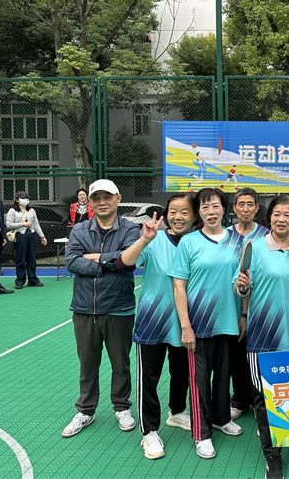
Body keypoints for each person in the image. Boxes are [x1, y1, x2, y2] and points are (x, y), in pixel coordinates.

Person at [62, 179, 158, 438]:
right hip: (84, 309)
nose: (102, 202)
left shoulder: (130, 229)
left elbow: (128, 262)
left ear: (118, 199)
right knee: (87, 363)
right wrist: (109, 263)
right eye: (96, 198)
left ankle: (122, 407)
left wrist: (98, 258)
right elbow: (71, 262)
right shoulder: (80, 229)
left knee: (120, 363)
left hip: (119, 308)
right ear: (91, 203)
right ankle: (86, 410)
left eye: (107, 197)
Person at [233, 194, 289, 479]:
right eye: (277, 213)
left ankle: (285, 434)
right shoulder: (253, 247)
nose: (281, 219)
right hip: (261, 338)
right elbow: (240, 288)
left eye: (288, 214)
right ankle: (272, 457)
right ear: (270, 217)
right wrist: (242, 287)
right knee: (263, 399)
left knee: (286, 393)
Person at [116, 193, 196, 459]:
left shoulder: (197, 242)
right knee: (149, 378)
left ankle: (177, 412)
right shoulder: (154, 239)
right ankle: (149, 431)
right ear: (166, 215)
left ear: (194, 215)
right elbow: (126, 262)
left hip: (186, 324)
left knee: (182, 372)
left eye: (185, 212)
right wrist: (144, 239)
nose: (178, 217)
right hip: (153, 321)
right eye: (173, 211)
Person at [170, 187, 244, 460]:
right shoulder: (189, 242)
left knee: (224, 376)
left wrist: (243, 314)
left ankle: (221, 418)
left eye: (215, 206)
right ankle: (201, 434)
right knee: (199, 381)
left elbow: (243, 282)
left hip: (228, 322)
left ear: (224, 209)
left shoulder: (238, 241)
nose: (211, 212)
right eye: (204, 207)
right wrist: (186, 326)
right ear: (198, 212)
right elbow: (179, 286)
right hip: (198, 325)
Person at [226, 187, 269, 420]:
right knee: (236, 353)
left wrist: (245, 313)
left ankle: (260, 398)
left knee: (257, 353)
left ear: (256, 208)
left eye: (250, 204)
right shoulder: (224, 235)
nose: (245, 208)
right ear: (234, 208)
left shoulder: (266, 236)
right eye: (241, 204)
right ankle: (240, 398)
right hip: (228, 305)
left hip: (258, 306)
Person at [6, 191, 47, 289]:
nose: (26, 200)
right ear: (17, 200)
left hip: (31, 235)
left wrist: (42, 236)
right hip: (20, 236)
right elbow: (9, 225)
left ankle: (33, 279)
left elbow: (36, 224)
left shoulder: (32, 210)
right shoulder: (12, 211)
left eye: (27, 198)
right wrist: (23, 224)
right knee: (20, 258)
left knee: (31, 258)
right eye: (23, 198)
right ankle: (20, 280)